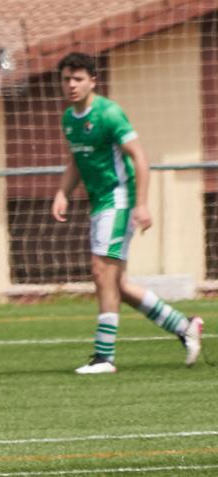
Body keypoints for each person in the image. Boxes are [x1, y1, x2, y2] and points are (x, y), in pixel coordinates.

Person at [51, 52, 203, 375]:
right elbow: (76, 160)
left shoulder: (109, 113)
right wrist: (63, 192)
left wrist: (142, 203)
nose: (72, 85)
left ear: (93, 81)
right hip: (99, 204)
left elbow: (140, 157)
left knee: (100, 272)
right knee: (116, 283)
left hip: (119, 199)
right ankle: (184, 326)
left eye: (78, 78)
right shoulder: (69, 119)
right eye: (66, 79)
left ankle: (104, 357)